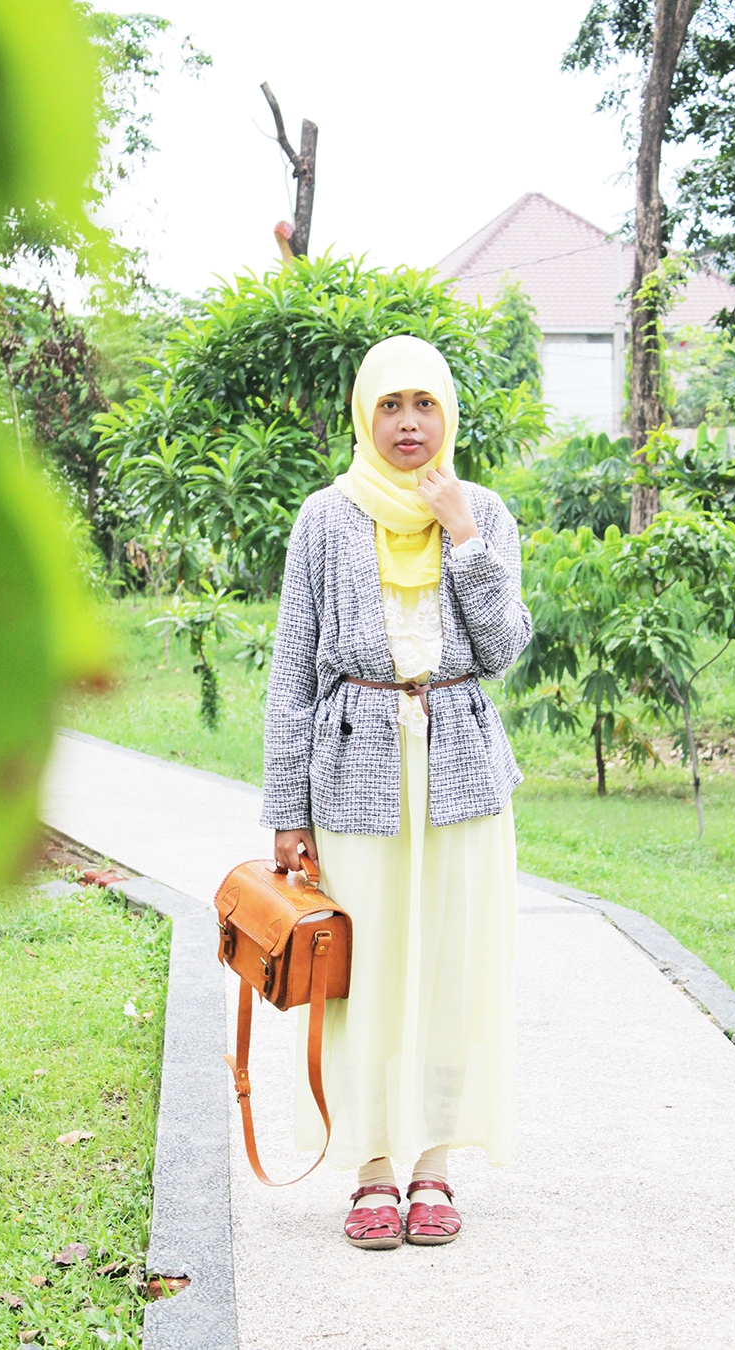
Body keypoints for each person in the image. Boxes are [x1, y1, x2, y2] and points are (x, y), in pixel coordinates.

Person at [260, 334, 532, 1250]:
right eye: (390, 405)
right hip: (355, 772)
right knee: (364, 974)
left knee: (452, 967)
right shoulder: (323, 518)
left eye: (424, 404)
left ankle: (434, 1168)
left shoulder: (482, 510)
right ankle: (373, 1169)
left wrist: (464, 536)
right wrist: (286, 812)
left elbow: (502, 648)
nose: (408, 423)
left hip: (461, 769)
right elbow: (291, 672)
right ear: (364, 414)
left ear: (446, 414)